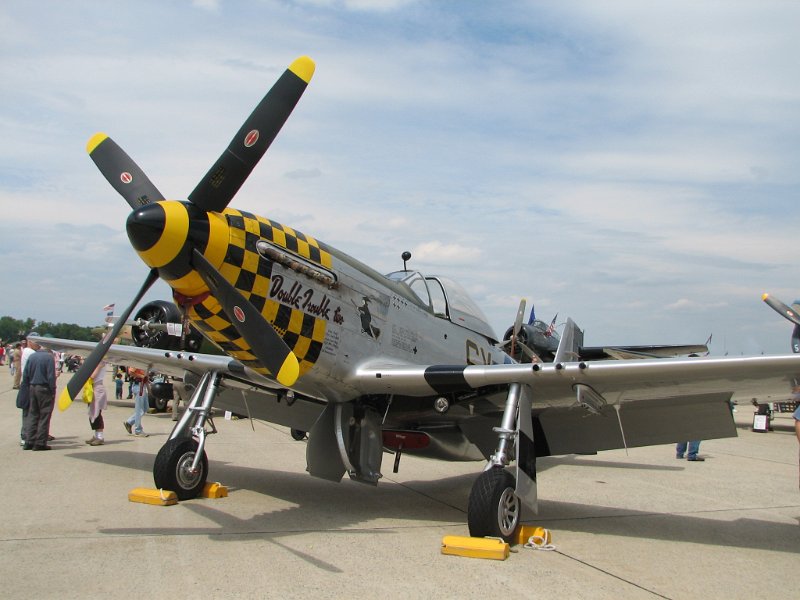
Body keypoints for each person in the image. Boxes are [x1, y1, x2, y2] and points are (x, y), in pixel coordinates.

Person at [22, 341, 57, 451]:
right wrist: (53, 389)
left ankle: (29, 441)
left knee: (33, 414)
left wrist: (28, 386)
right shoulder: (49, 358)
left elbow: (26, 374)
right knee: (44, 415)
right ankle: (40, 442)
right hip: (44, 387)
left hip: (32, 387)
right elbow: (51, 376)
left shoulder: (32, 356)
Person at [86, 362, 109, 446]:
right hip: (93, 388)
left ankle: (100, 437)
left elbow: (92, 376)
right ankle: (96, 436)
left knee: (96, 413)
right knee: (92, 413)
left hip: (97, 388)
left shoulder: (100, 362)